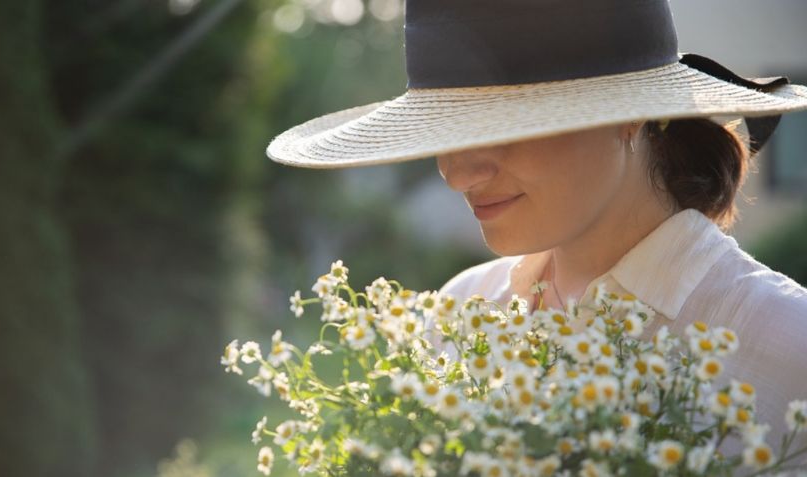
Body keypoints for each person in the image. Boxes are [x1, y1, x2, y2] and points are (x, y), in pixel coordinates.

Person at [266, 0, 807, 465]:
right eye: (445, 130)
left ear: (630, 114)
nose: (456, 174)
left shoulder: (787, 348)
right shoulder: (459, 315)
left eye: (506, 127)